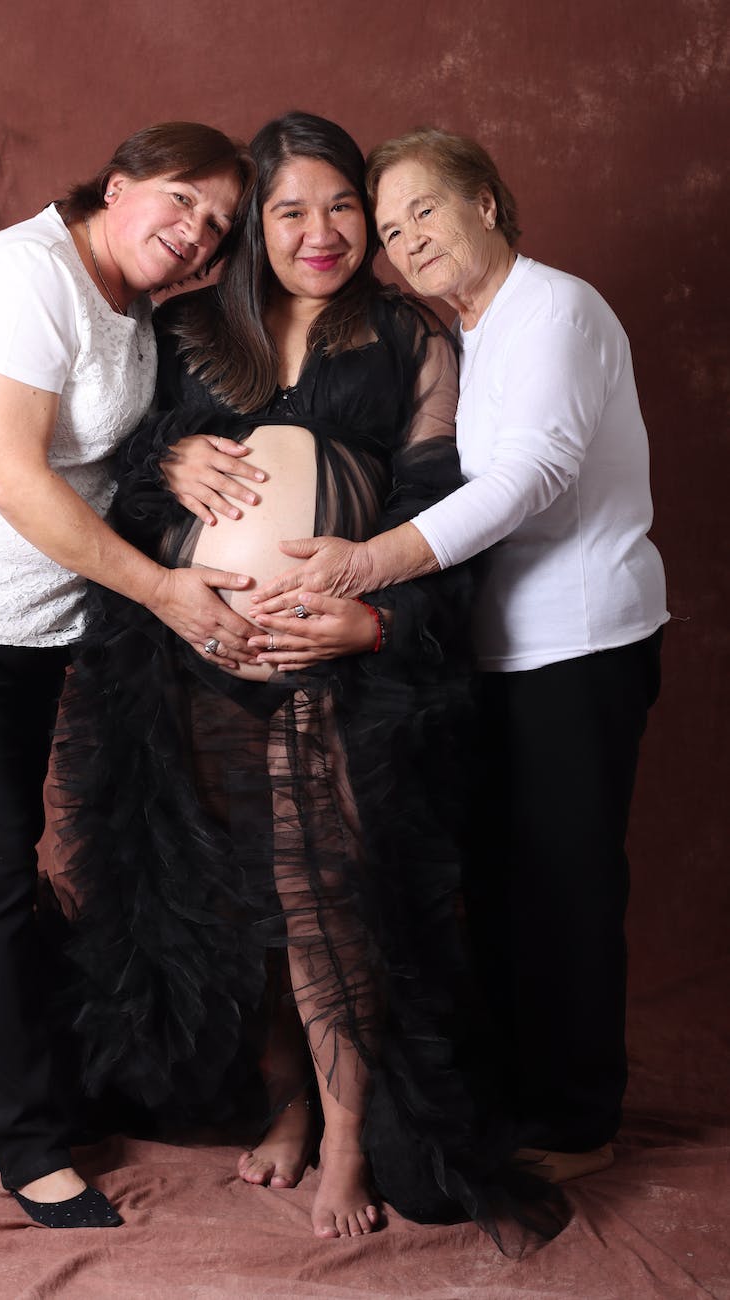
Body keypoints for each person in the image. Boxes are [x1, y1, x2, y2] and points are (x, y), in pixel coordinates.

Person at [55, 111, 567, 1251]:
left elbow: (447, 523)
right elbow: (115, 490)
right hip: (197, 659)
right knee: (242, 895)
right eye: (291, 209)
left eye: (344, 205)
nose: (321, 230)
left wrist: (366, 622)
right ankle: (284, 1099)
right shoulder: (192, 333)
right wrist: (167, 457)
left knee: (320, 891)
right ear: (256, 230)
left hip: (336, 663)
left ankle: (344, 1128)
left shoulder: (407, 338)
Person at [250, 127, 668, 1183]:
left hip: (577, 644)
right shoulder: (469, 334)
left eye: (423, 211)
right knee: (498, 885)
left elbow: (530, 475)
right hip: (492, 652)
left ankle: (578, 1120)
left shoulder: (556, 308)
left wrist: (365, 564)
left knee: (565, 885)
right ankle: (519, 1094)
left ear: (487, 198)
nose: (403, 241)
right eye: (388, 230)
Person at [0, 122, 256, 1227]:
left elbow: (108, 452)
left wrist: (173, 456)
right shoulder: (18, 280)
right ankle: (28, 1143)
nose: (193, 236)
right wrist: (166, 593)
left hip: (37, 620)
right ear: (116, 183)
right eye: (180, 201)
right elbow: (17, 481)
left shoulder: (131, 308)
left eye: (217, 227)